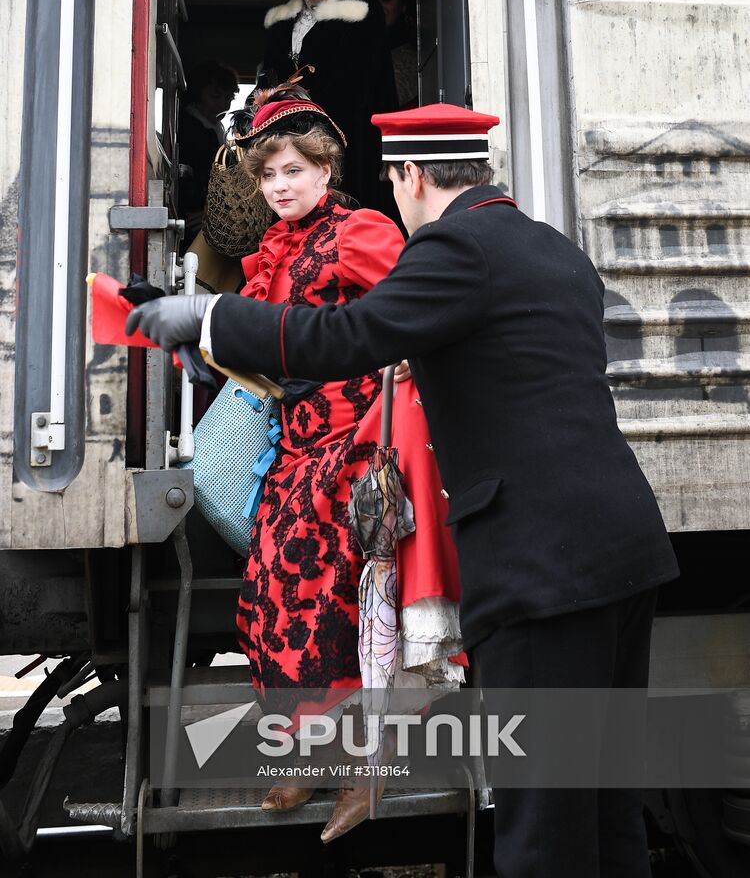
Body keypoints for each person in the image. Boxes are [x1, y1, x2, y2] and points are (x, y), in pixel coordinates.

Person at [129, 101, 680, 875]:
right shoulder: (552, 248)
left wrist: (206, 313)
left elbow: (346, 337)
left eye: (395, 181)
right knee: (608, 810)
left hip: (542, 569)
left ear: (412, 175)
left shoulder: (454, 246)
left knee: (544, 833)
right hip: (624, 548)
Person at [186, 88, 464, 841]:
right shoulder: (272, 249)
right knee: (269, 597)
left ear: (324, 169)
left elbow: (418, 308)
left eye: (293, 170)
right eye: (268, 173)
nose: (279, 186)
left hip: (356, 441)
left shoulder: (358, 230)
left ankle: (365, 771)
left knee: (343, 607)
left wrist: (402, 371)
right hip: (295, 441)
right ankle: (308, 751)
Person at [256, 0, 397, 211]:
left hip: (347, 157)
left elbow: (358, 95)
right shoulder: (281, 23)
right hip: (288, 164)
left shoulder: (362, 12)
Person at [178, 61, 239, 248]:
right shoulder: (189, 128)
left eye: (228, 98)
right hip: (192, 218)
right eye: (215, 96)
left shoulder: (214, 128)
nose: (223, 104)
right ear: (197, 94)